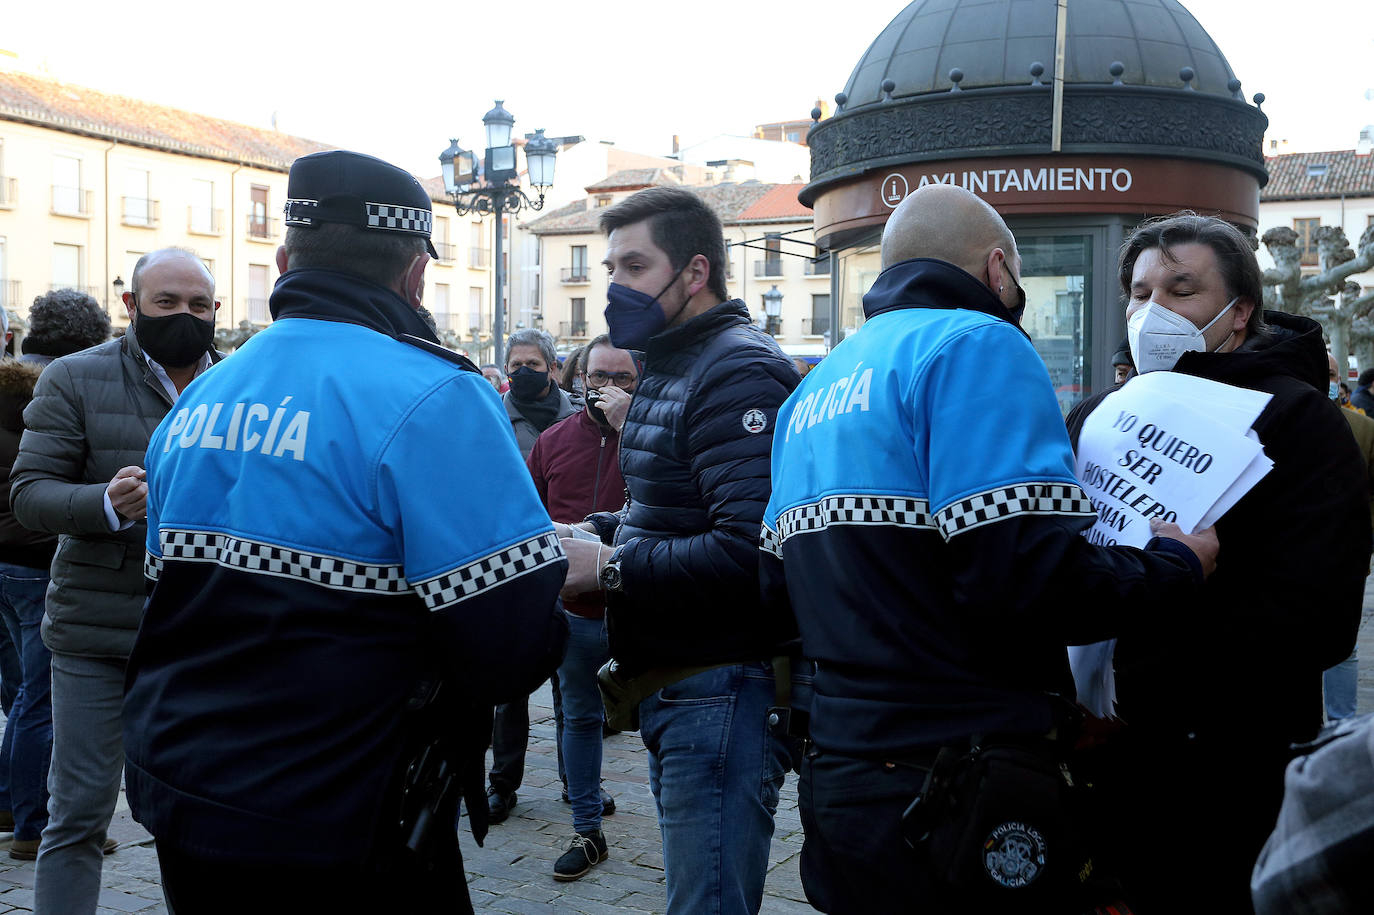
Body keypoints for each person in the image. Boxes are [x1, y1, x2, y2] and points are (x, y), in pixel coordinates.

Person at [120, 150, 568, 913]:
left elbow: (173, 592)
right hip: (342, 813)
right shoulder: (436, 395)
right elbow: (507, 648)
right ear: (414, 277)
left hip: (184, 790)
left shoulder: (201, 397)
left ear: (286, 260)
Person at [763, 184, 1216, 914]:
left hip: (843, 777)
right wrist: (1174, 566)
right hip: (961, 778)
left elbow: (775, 592)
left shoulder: (813, 390)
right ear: (999, 269)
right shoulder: (976, 344)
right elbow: (1027, 579)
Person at [1065, 212, 1370, 914]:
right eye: (1139, 293)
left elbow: (1322, 619)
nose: (1153, 311)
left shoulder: (1300, 422)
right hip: (1098, 757)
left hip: (1228, 768)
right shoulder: (1096, 415)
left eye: (1181, 289)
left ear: (1238, 313)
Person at [558, 185, 805, 914]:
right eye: (610, 267)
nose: (615, 286)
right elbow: (666, 508)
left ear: (695, 272)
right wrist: (597, 531)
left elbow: (752, 548)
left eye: (634, 266)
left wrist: (609, 567)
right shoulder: (674, 363)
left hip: (722, 689)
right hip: (683, 685)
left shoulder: (736, 369)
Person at [10, 249, 221, 914]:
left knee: (199, 814)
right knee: (77, 813)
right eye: (167, 302)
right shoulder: (75, 377)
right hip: (95, 629)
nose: (185, 317)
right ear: (132, 306)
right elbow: (28, 494)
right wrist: (105, 502)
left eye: (199, 305)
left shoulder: (243, 385)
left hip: (201, 632)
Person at [0, 289, 110, 861]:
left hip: (3, 562)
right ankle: (32, 825)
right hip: (39, 559)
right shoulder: (71, 386)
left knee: (18, 695)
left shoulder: (9, 382)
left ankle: (10, 799)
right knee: (41, 701)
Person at [527, 334, 636, 880]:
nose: (607, 389)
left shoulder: (652, 441)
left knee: (662, 725)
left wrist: (630, 428)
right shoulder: (553, 441)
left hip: (642, 613)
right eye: (598, 377)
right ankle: (588, 829)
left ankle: (683, 831)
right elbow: (531, 518)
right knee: (578, 717)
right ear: (578, 377)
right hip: (576, 611)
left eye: (622, 378)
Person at [486, 326, 578, 825]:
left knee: (573, 681)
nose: (523, 373)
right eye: (515, 365)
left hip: (569, 553)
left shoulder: (580, 415)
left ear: (553, 366)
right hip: (514, 557)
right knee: (511, 683)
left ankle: (576, 780)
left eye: (533, 365)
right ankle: (502, 784)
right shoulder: (495, 416)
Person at [1323, 352, 1374, 722]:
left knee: (1344, 644)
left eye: (1331, 374)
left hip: (1344, 552)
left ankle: (1341, 724)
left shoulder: (1363, 429)